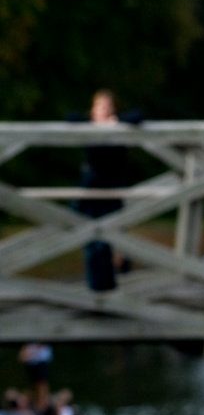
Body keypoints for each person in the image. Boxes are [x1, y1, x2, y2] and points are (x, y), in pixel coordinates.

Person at [73, 89, 140, 291]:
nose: (105, 110)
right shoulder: (87, 126)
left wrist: (116, 123)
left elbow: (138, 116)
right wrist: (95, 125)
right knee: (94, 243)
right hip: (91, 194)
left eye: (109, 107)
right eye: (101, 107)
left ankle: (115, 287)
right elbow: (71, 118)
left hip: (112, 192)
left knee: (115, 240)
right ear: (93, 110)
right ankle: (98, 290)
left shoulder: (120, 124)